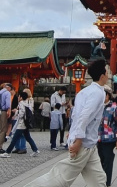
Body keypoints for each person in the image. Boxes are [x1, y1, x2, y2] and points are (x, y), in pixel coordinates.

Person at [23, 59, 109, 187]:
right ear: (102, 76)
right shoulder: (98, 93)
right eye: (107, 72)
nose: (108, 74)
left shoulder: (84, 92)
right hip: (84, 143)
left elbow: (76, 114)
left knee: (99, 179)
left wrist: (72, 132)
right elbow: (84, 116)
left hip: (89, 143)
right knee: (61, 178)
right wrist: (78, 139)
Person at [0, 91, 40, 158]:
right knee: (28, 137)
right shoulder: (27, 103)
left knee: (14, 138)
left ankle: (7, 152)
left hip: (21, 124)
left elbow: (21, 114)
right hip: (26, 123)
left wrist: (16, 112)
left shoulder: (21, 103)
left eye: (19, 96)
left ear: (20, 97)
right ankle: (35, 150)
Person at [97, 88, 117, 187]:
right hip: (98, 138)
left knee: (108, 161)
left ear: (108, 95)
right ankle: (101, 182)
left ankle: (106, 183)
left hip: (109, 138)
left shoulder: (114, 107)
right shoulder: (97, 106)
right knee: (100, 161)